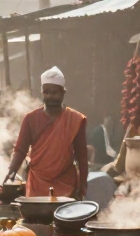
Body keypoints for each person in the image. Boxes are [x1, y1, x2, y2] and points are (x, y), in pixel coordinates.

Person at [6, 67, 88, 198]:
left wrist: (83, 182)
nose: (50, 96)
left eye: (54, 93)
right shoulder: (30, 119)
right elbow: (20, 150)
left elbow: (81, 155)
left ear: (63, 92)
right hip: (37, 184)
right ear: (42, 92)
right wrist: (12, 170)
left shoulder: (75, 119)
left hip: (66, 184)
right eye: (46, 92)